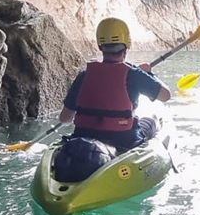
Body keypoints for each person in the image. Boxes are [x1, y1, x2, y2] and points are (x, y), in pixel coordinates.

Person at [58, 17, 171, 153]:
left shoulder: (85, 74)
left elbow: (65, 119)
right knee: (153, 120)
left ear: (100, 46)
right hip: (125, 141)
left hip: (83, 139)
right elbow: (166, 95)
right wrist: (149, 74)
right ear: (126, 44)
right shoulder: (133, 74)